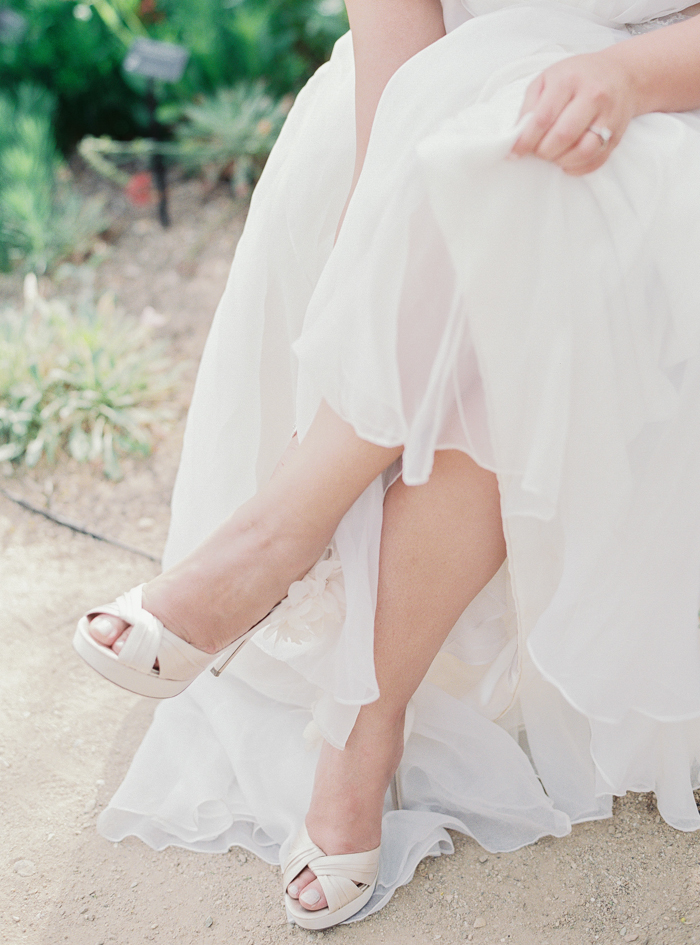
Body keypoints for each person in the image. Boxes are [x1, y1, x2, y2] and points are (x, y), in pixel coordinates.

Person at [73, 0, 700, 929]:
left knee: (536, 209)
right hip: (430, 108)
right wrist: (377, 246)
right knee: (484, 194)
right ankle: (343, 679)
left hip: (670, 91)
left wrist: (630, 77)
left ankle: (281, 555)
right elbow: (402, 54)